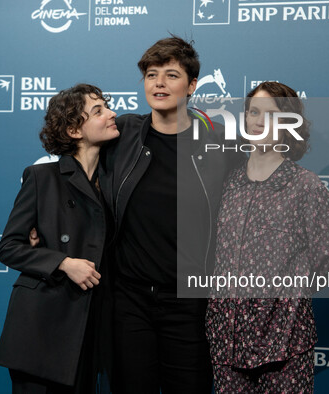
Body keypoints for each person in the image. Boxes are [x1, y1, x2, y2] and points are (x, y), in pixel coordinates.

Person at [99, 36, 244, 393]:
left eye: (171, 74)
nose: (159, 83)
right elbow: (70, 171)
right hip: (129, 299)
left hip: (190, 303)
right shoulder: (122, 135)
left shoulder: (221, 144)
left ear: (192, 85)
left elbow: (256, 199)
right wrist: (46, 222)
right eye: (151, 74)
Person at [205, 82, 329, 393]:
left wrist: (285, 304)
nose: (259, 121)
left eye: (271, 114)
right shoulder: (228, 183)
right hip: (226, 342)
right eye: (254, 112)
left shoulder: (305, 186)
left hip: (284, 345)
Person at [0, 83, 119, 393]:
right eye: (99, 110)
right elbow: (9, 248)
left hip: (90, 332)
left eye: (107, 106)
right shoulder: (41, 178)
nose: (112, 114)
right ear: (75, 130)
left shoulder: (115, 185)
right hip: (41, 330)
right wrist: (63, 262)